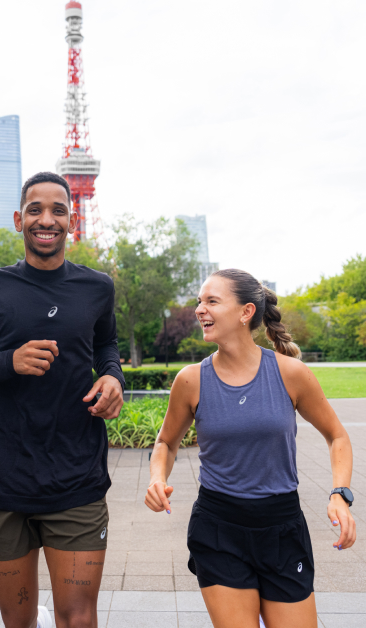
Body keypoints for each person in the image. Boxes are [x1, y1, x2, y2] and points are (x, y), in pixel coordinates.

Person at [0, 171, 125, 628]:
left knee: (78, 618)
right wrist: (9, 362)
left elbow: (106, 346)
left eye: (58, 210)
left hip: (77, 475)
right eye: (36, 210)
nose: (47, 219)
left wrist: (112, 377)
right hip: (6, 477)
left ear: (72, 220)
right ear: (18, 220)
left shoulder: (97, 287)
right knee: (18, 622)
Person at [145, 268, 356, 628]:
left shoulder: (291, 373)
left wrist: (340, 493)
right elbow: (166, 441)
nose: (199, 309)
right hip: (218, 528)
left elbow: (337, 435)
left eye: (212, 301)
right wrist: (155, 477)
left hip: (282, 527)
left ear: (245, 313)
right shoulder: (191, 380)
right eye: (199, 301)